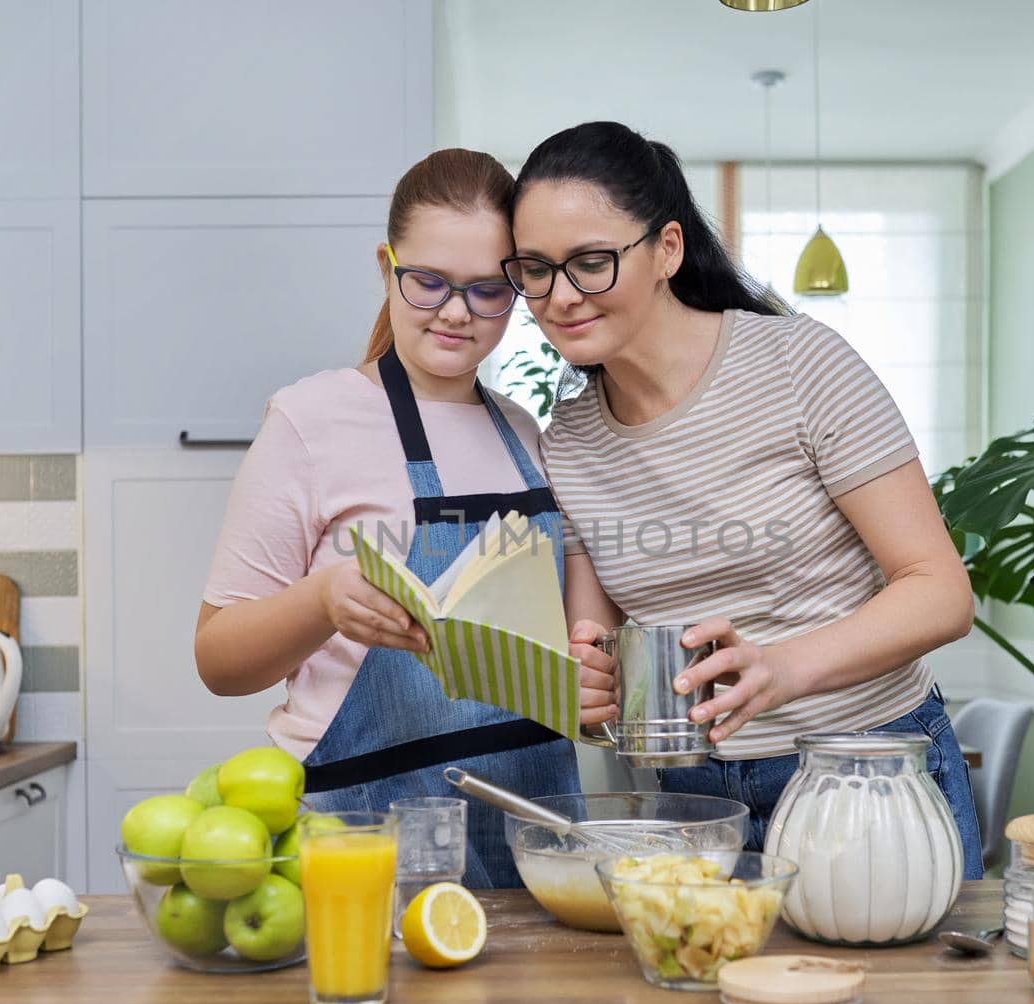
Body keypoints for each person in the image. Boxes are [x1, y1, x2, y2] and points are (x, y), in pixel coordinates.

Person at [505, 122, 983, 877]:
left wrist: (784, 667)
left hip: (860, 774)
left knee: (909, 998)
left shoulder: (800, 362)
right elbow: (596, 627)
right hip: (687, 798)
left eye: (591, 263)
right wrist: (584, 674)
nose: (559, 297)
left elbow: (941, 593)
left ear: (667, 248)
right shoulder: (567, 436)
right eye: (534, 269)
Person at [195, 148, 580, 888]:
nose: (456, 310)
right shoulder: (310, 420)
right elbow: (217, 659)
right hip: (368, 831)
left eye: (488, 289)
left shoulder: (526, 433)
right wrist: (322, 599)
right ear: (387, 266)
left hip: (536, 828)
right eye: (429, 281)